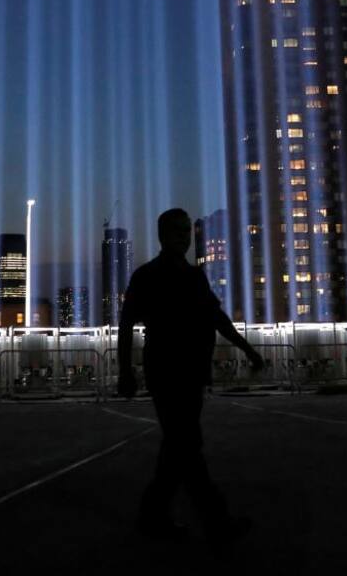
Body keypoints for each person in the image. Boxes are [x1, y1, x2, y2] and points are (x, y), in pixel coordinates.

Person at [117, 207, 264, 544]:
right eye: (177, 231)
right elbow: (126, 325)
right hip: (167, 373)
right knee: (187, 446)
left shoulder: (194, 277)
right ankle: (217, 523)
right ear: (162, 235)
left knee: (177, 448)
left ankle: (153, 516)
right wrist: (125, 371)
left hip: (191, 374)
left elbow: (217, 318)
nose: (184, 237)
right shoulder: (147, 276)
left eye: (187, 231)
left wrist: (248, 348)